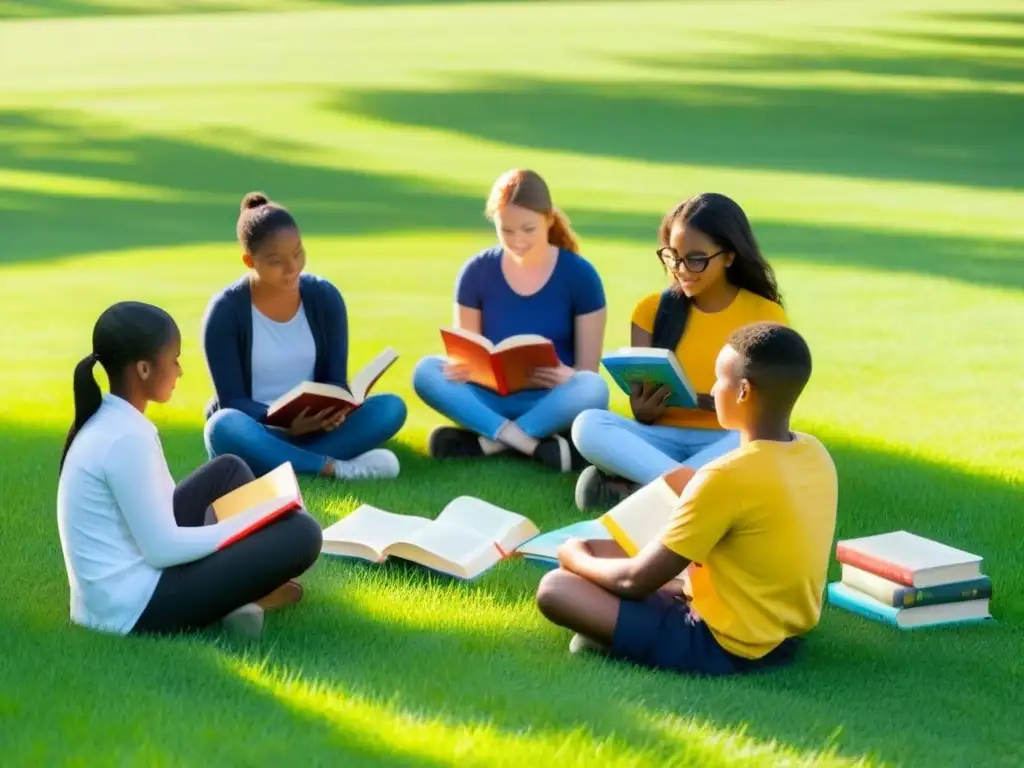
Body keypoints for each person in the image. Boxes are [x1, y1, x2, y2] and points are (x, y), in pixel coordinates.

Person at [536, 322, 838, 676]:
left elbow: (634, 581)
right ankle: (617, 626)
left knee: (556, 587)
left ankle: (612, 639)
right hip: (786, 633)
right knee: (601, 547)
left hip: (723, 645)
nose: (712, 390)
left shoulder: (727, 476)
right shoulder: (815, 452)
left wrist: (572, 556)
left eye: (719, 379)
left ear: (742, 391)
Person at [56, 301, 324, 639]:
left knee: (228, 470)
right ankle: (241, 597)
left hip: (119, 591)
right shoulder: (124, 438)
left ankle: (244, 594)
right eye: (174, 360)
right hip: (135, 608)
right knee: (303, 534)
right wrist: (251, 523)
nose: (180, 371)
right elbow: (162, 549)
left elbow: (156, 521)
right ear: (143, 369)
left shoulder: (110, 420)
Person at [571, 192, 788, 510]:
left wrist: (714, 403)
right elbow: (641, 412)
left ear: (729, 256)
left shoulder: (766, 316)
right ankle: (690, 494)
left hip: (724, 441)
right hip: (660, 441)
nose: (681, 269)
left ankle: (641, 492)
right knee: (588, 425)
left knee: (761, 444)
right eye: (673, 256)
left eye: (696, 258)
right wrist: (643, 409)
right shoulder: (651, 311)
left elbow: (767, 409)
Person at [412, 169, 609, 473]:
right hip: (488, 399)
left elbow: (587, 370)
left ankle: (486, 444)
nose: (517, 241)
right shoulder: (475, 272)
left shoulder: (580, 276)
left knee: (594, 388)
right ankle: (534, 447)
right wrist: (462, 368)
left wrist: (566, 376)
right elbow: (468, 351)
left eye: (528, 229)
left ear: (548, 219)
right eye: (506, 231)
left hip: (550, 401)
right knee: (425, 371)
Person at [201, 192, 407, 480]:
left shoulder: (325, 297)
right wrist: (283, 424)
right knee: (223, 426)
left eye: (298, 253)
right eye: (276, 261)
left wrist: (333, 415)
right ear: (250, 261)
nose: (292, 268)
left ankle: (273, 462)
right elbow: (232, 400)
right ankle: (330, 467)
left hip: (315, 428)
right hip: (259, 428)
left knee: (390, 408)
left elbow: (334, 380)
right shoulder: (225, 311)